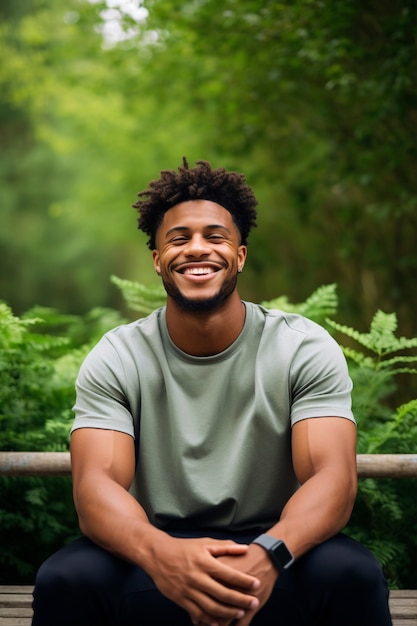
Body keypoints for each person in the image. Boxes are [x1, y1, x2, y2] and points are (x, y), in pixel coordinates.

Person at [32, 158, 392, 626]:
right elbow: (95, 487)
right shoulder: (118, 355)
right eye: (179, 239)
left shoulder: (301, 346)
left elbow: (333, 478)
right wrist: (163, 555)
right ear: (158, 259)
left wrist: (269, 553)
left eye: (215, 237)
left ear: (239, 255)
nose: (197, 249)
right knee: (65, 579)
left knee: (353, 575)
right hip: (154, 545)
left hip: (274, 544)